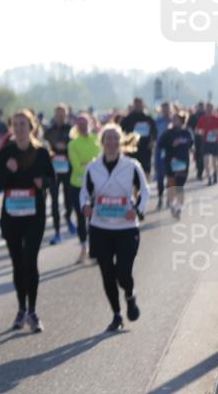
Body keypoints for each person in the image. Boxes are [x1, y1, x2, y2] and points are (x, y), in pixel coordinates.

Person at [80, 123, 149, 332]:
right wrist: (86, 206)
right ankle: (117, 314)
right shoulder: (93, 168)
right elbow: (84, 193)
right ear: (102, 142)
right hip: (100, 228)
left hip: (126, 228)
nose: (111, 142)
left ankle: (129, 295)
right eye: (107, 138)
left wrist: (136, 210)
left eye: (115, 138)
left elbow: (144, 192)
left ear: (121, 142)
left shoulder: (132, 166)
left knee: (123, 271)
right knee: (107, 273)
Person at [0, 110, 55, 332]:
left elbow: (52, 179)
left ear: (31, 127)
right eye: (15, 124)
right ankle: (21, 308)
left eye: (23, 124)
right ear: (11, 128)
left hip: (34, 216)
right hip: (11, 217)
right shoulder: (5, 153)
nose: (19, 128)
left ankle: (33, 311)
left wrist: (43, 182)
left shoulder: (41, 152)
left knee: (31, 261)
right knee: (18, 264)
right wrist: (8, 172)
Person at [67, 114, 99, 264]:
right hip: (77, 185)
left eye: (85, 123)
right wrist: (90, 165)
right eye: (79, 124)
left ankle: (95, 249)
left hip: (96, 185)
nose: (82, 126)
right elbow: (77, 166)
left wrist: (89, 165)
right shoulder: (72, 144)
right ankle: (83, 248)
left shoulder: (97, 140)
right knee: (81, 218)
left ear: (90, 124)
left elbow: (101, 161)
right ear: (76, 127)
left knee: (94, 218)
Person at [43, 104, 74, 243]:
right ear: (54, 115)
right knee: (54, 200)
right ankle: (57, 232)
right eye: (57, 115)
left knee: (68, 198)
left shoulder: (72, 130)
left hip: (68, 169)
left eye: (62, 115)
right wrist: (52, 152)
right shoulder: (49, 131)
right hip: (53, 169)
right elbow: (44, 149)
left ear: (66, 115)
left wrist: (67, 150)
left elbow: (75, 147)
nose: (60, 117)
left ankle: (67, 216)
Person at [157, 111, 194, 220]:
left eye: (176, 119)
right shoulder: (168, 133)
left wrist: (183, 143)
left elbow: (190, 143)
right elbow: (160, 144)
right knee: (172, 186)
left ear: (182, 120)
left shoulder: (186, 132)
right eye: (173, 119)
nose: (174, 121)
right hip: (170, 162)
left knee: (180, 186)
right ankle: (173, 204)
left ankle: (178, 207)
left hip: (183, 162)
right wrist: (171, 144)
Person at [119, 97, 157, 179]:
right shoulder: (127, 119)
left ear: (143, 105)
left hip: (145, 150)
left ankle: (144, 189)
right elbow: (120, 131)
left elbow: (154, 132)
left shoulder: (148, 119)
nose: (138, 106)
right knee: (132, 173)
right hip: (131, 150)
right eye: (136, 105)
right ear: (134, 105)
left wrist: (152, 141)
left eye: (139, 104)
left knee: (145, 172)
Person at [196, 104, 218, 185]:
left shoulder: (217, 118)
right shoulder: (202, 119)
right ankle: (209, 177)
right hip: (205, 142)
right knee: (206, 160)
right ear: (205, 110)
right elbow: (197, 129)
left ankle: (215, 173)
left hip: (214, 142)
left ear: (212, 110)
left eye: (210, 109)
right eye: (207, 109)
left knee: (214, 161)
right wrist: (200, 132)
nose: (209, 111)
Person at [153, 102, 174, 209]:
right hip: (159, 151)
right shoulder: (157, 121)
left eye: (167, 109)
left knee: (170, 175)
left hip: (171, 151)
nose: (166, 111)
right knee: (160, 176)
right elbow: (153, 135)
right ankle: (160, 197)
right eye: (164, 109)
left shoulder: (174, 121)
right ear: (161, 110)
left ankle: (169, 198)